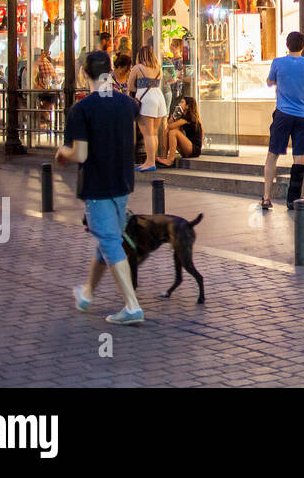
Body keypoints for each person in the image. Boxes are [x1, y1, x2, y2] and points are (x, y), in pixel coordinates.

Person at [55, 49, 145, 324]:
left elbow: (80, 154)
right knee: (108, 239)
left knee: (108, 241)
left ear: (84, 73)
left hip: (97, 184)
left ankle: (132, 306)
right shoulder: (127, 104)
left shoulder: (81, 110)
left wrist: (61, 153)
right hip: (122, 181)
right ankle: (87, 293)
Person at [261, 30, 304, 210]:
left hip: (283, 113)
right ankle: (293, 199)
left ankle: (266, 197)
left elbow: (269, 82)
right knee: (299, 158)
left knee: (273, 154)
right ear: (303, 46)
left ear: (287, 45)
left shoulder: (278, 63)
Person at [128, 45, 166, 172]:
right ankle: (150, 160)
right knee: (154, 132)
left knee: (147, 133)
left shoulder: (138, 68)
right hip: (159, 97)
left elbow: (130, 87)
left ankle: (149, 162)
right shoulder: (158, 68)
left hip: (146, 99)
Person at [157, 95, 203, 166]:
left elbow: (171, 126)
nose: (179, 104)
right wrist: (172, 120)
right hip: (186, 148)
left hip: (194, 150)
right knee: (167, 131)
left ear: (187, 106)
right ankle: (164, 157)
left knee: (173, 132)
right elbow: (172, 128)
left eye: (182, 102)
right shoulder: (182, 116)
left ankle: (170, 160)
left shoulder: (189, 117)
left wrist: (173, 119)